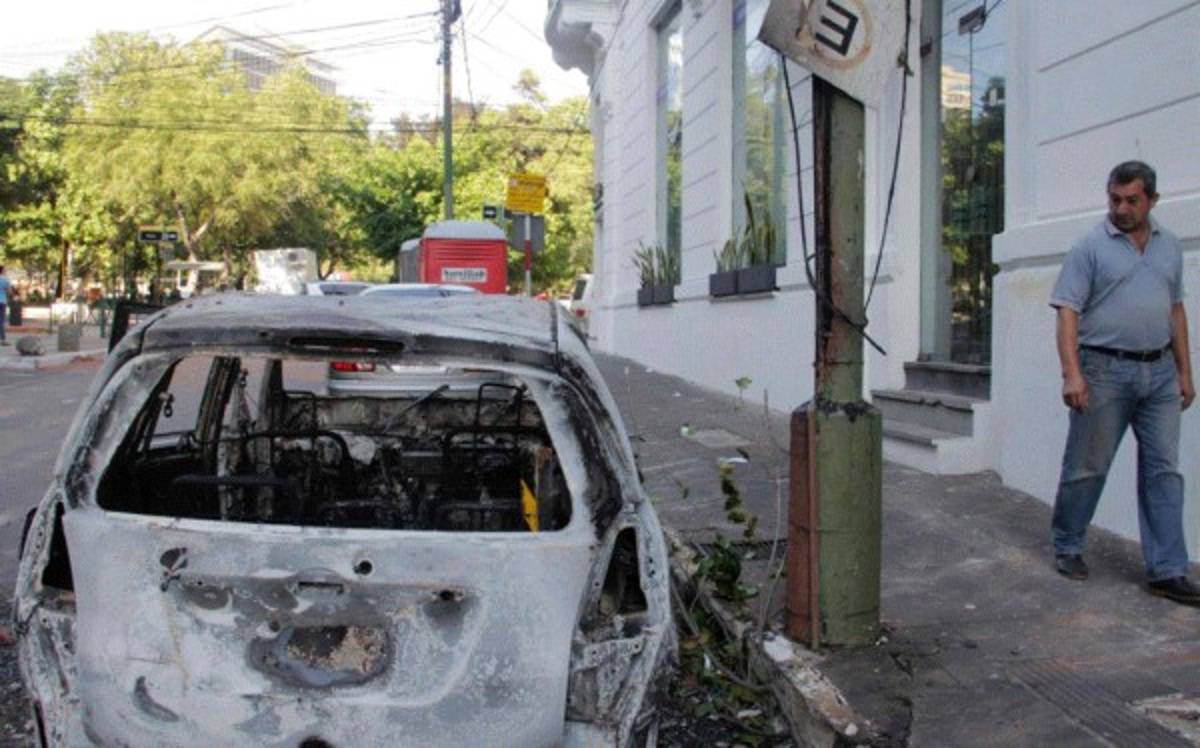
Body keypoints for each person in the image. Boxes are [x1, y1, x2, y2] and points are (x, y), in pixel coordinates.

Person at [1049, 160, 1199, 605]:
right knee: (1088, 465)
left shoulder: (1169, 247)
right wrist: (1072, 374)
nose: (1121, 208)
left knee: (1164, 471)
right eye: (1115, 199)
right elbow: (1067, 312)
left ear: (1152, 200)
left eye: (1132, 200)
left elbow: (1175, 311)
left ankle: (1167, 570)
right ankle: (1068, 544)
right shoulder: (1090, 247)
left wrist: (1185, 372)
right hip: (1104, 371)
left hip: (1160, 373)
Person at [0, 265, 10, 346]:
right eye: (5, 270)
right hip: (2, 301)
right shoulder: (5, 280)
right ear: (2, 271)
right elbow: (9, 291)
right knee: (1, 321)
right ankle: (3, 340)